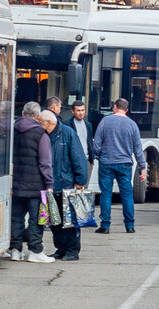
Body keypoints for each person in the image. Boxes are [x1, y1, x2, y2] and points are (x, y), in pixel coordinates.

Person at [91, 98, 146, 233]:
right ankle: (130, 225)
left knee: (106, 194)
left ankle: (105, 226)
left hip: (106, 163)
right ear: (126, 110)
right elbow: (138, 149)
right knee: (127, 195)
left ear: (114, 107)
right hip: (125, 164)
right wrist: (142, 167)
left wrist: (98, 156)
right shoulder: (132, 125)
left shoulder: (105, 121)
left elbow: (96, 143)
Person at [9, 101, 54, 262]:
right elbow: (45, 162)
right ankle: (35, 250)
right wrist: (49, 183)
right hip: (36, 185)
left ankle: (15, 250)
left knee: (16, 218)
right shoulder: (40, 134)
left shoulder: (12, 130)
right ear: (38, 116)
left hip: (16, 183)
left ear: (23, 113)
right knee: (36, 219)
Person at [41, 108, 87, 260]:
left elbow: (78, 157)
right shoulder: (44, 135)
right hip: (51, 185)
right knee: (55, 221)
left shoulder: (67, 133)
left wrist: (80, 181)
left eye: (40, 122)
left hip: (66, 184)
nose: (39, 125)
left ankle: (72, 250)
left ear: (48, 123)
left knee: (70, 220)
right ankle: (60, 248)